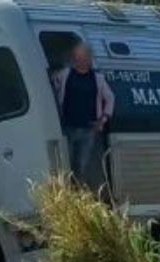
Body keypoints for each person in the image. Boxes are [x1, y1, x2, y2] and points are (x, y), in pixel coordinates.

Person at [51, 43, 115, 190]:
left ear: (89, 58)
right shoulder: (65, 74)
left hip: (88, 130)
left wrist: (103, 119)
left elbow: (110, 98)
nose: (79, 60)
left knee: (81, 166)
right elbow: (54, 85)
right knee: (66, 164)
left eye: (83, 57)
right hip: (68, 128)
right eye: (77, 57)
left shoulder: (98, 79)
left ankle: (78, 194)